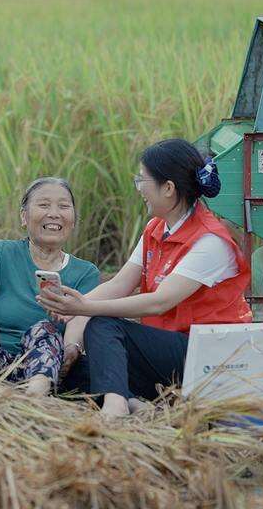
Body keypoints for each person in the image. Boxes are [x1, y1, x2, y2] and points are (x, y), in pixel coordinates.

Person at [40, 138, 251, 417]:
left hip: (209, 355)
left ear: (168, 188)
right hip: (169, 351)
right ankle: (130, 400)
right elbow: (120, 284)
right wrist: (70, 309)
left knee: (103, 325)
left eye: (142, 179)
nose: (139, 188)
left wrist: (86, 308)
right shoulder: (156, 228)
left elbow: (159, 302)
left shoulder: (210, 241)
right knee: (75, 369)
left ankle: (116, 406)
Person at [0, 177, 99, 395]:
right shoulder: (0, 253)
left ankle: (35, 394)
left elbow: (78, 321)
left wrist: (71, 348)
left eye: (64, 206)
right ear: (24, 216)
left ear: (73, 220)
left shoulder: (86, 273)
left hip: (42, 365)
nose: (54, 213)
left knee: (46, 329)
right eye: (43, 205)